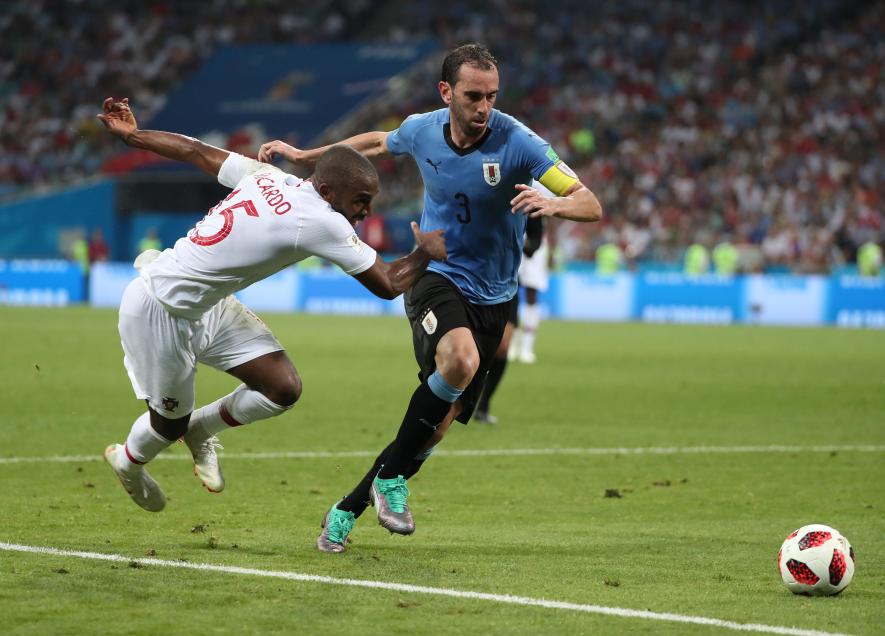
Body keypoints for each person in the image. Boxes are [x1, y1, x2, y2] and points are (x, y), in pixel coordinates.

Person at [260, 43, 602, 553]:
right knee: (459, 360)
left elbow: (589, 202)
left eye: (491, 96)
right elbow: (378, 142)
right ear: (447, 93)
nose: (484, 107)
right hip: (436, 274)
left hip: (496, 297)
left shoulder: (520, 144)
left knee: (430, 432)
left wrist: (552, 203)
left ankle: (347, 509)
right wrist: (311, 157)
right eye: (472, 96)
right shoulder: (423, 129)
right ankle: (391, 484)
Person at [96, 97, 446, 513]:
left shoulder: (267, 176)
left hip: (207, 303)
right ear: (329, 191)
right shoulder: (321, 221)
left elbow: (194, 150)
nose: (366, 212)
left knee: (282, 388)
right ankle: (129, 463)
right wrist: (424, 252)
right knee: (165, 423)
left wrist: (135, 136)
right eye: (360, 201)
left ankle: (197, 430)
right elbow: (389, 284)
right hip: (160, 308)